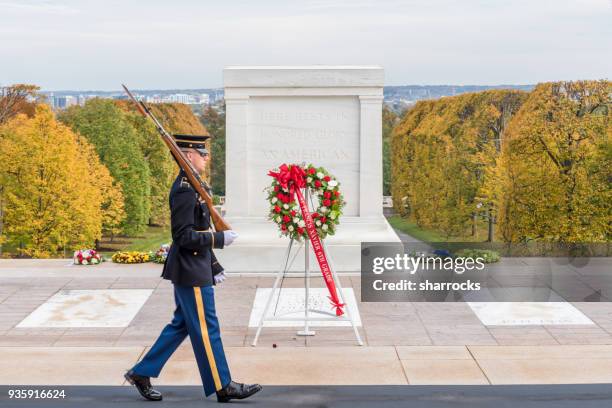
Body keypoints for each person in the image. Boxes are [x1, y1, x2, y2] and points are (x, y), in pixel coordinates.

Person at [125, 134, 262, 403]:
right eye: (202, 153)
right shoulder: (185, 190)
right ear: (188, 156)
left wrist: (214, 263)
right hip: (190, 269)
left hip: (195, 266)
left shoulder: (194, 186)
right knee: (207, 327)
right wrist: (219, 239)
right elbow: (183, 236)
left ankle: (142, 372)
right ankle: (224, 385)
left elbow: (197, 230)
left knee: (182, 325)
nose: (206, 157)